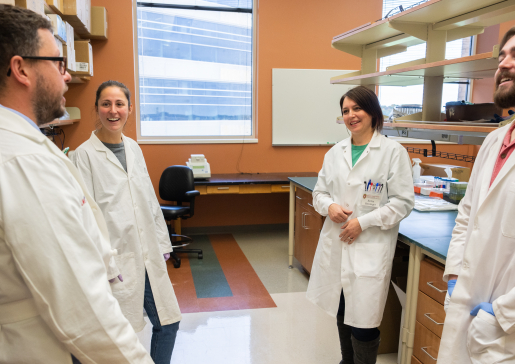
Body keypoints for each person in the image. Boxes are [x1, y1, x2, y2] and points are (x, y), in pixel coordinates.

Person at [0, 5, 153, 363]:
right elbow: (79, 306)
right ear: (21, 69)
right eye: (58, 63)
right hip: (37, 344)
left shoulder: (23, 147)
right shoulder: (26, 160)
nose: (66, 77)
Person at [72, 80, 182, 364]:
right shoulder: (83, 155)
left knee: (169, 322)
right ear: (96, 109)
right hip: (116, 261)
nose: (113, 111)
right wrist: (105, 264)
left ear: (129, 109)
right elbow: (87, 218)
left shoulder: (133, 148)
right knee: (122, 335)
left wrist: (161, 241)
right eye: (105, 104)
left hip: (147, 255)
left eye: (119, 104)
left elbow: (148, 199)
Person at [306, 86, 414, 364]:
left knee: (364, 320)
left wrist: (363, 223)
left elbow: (403, 202)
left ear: (373, 112)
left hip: (370, 247)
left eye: (357, 108)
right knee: (342, 309)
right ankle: (347, 361)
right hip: (337, 244)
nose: (351, 115)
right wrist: (329, 206)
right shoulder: (335, 153)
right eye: (345, 111)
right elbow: (319, 193)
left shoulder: (392, 152)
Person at [437, 27, 515, 364]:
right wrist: (454, 272)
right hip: (468, 301)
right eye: (501, 57)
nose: (504, 65)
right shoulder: (494, 141)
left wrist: (503, 312)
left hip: (503, 326)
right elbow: (467, 214)